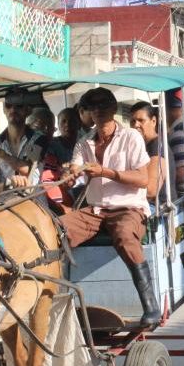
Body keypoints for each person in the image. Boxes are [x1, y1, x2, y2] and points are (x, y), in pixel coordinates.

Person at [60, 87, 159, 329]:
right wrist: (70, 175)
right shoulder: (84, 142)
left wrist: (105, 172)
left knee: (125, 235)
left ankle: (150, 305)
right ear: (88, 113)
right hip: (95, 210)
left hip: (129, 208)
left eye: (102, 106)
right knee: (56, 230)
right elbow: (76, 171)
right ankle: (60, 303)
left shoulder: (131, 137)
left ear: (113, 109)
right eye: (92, 107)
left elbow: (143, 179)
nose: (98, 112)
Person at [0, 90, 47, 196]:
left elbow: (28, 168)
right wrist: (9, 183)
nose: (13, 109)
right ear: (3, 109)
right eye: (8, 105)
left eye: (18, 106)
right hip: (4, 202)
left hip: (34, 199)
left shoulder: (38, 139)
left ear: (28, 110)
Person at [129, 101, 176, 207]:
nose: (136, 125)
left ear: (153, 121)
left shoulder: (158, 146)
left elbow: (151, 190)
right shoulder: (139, 146)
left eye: (141, 120)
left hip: (159, 208)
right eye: (132, 121)